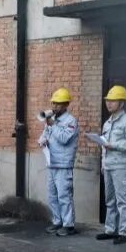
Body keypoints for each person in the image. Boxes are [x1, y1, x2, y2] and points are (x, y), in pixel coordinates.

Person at [94, 85, 126, 245]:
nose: (109, 103)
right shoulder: (107, 123)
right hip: (108, 166)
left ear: (122, 103)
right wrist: (103, 164)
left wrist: (114, 145)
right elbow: (104, 146)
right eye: (108, 100)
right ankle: (110, 230)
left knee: (123, 200)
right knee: (110, 200)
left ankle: (124, 232)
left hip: (121, 166)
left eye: (113, 101)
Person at [38, 88, 79, 237]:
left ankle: (69, 225)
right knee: (52, 195)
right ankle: (57, 221)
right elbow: (45, 135)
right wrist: (42, 140)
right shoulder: (51, 120)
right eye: (53, 103)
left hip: (63, 164)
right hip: (52, 162)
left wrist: (53, 125)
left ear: (66, 104)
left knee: (64, 195)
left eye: (58, 103)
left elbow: (64, 138)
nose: (54, 106)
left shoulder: (71, 121)